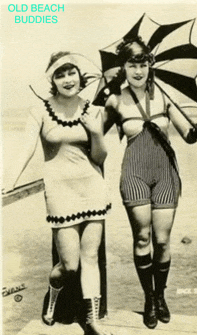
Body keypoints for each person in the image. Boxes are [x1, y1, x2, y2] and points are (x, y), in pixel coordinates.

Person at [2, 51, 112, 335]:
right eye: (60, 74)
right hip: (59, 192)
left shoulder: (93, 109)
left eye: (71, 72)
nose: (67, 79)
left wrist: (96, 133)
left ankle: (93, 321)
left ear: (80, 76)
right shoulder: (40, 110)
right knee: (69, 266)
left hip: (92, 187)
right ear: (52, 79)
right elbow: (26, 148)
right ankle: (52, 296)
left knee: (90, 258)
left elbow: (99, 158)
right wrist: (9, 180)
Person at [102, 36, 197, 329]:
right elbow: (95, 137)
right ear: (123, 67)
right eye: (132, 64)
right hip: (133, 173)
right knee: (142, 238)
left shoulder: (163, 96)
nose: (138, 70)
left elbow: (187, 135)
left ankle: (160, 296)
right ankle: (148, 298)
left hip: (165, 173)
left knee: (162, 240)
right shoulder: (114, 99)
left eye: (143, 63)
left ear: (151, 64)